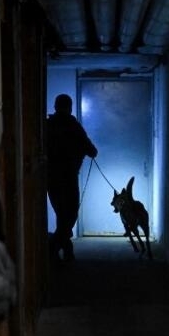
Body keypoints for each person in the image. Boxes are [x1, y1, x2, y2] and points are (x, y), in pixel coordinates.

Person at [45, 94, 98, 262]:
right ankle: (54, 248)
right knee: (70, 215)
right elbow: (92, 150)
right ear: (70, 107)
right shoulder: (73, 126)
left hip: (51, 178)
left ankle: (64, 250)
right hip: (68, 178)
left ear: (55, 106)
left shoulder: (47, 125)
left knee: (62, 215)